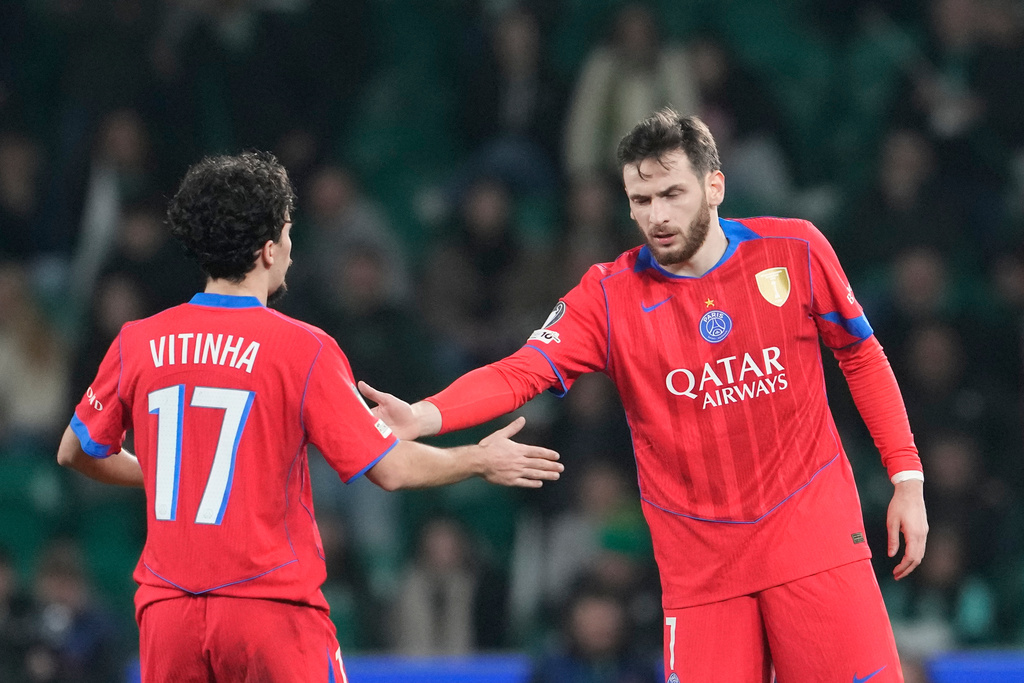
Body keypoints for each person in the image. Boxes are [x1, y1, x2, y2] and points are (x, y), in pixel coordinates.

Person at [361, 110, 929, 682]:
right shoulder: (609, 296)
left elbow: (860, 354)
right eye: (641, 199)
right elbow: (521, 371)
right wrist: (425, 416)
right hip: (703, 572)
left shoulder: (795, 248)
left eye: (672, 194)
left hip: (814, 541)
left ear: (714, 186)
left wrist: (906, 477)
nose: (656, 216)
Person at [56, 151, 563, 682]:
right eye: (289, 234)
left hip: (168, 615)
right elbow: (390, 469)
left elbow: (76, 450)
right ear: (268, 249)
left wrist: (173, 477)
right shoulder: (301, 348)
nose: (292, 250)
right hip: (268, 610)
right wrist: (478, 459)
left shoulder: (138, 341)